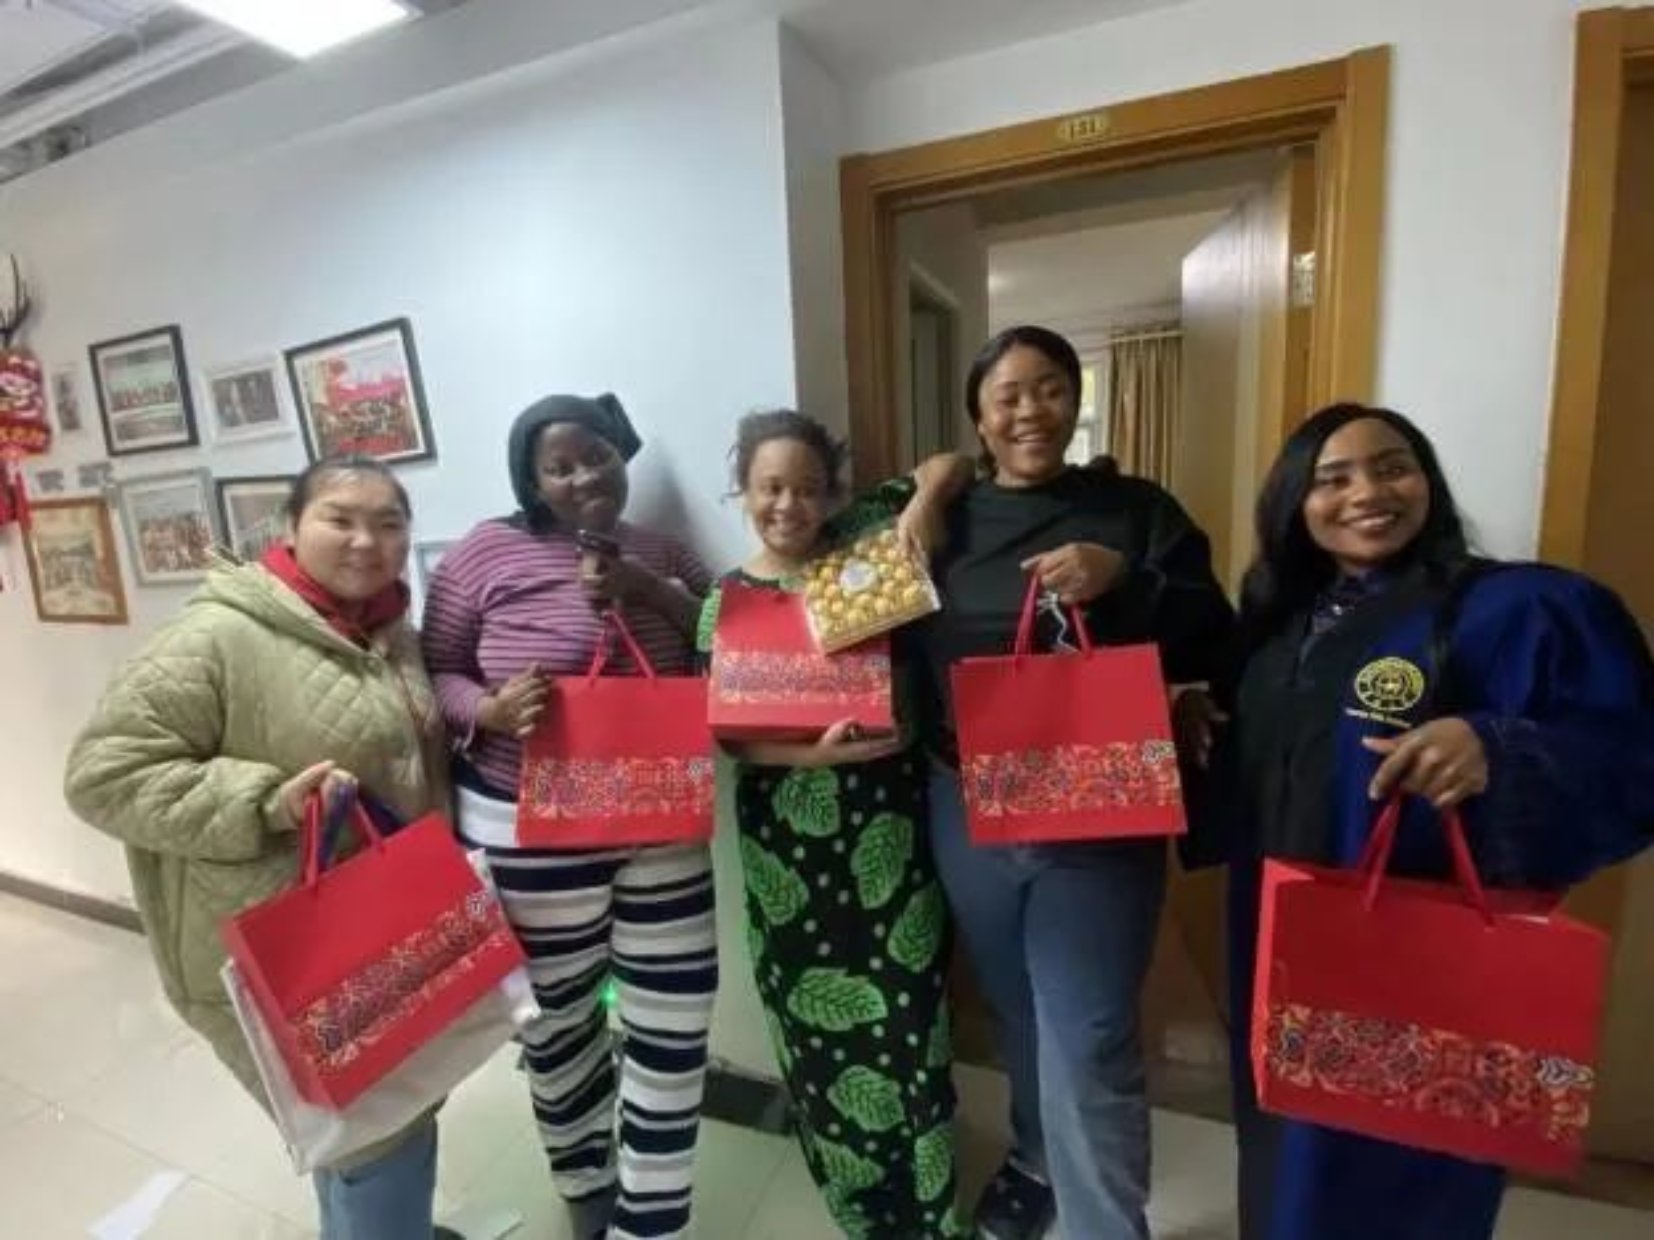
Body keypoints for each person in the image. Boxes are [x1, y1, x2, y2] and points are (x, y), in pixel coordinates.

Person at [1214, 402, 1654, 1240]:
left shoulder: (1514, 608)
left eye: (1392, 467)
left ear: (1428, 481)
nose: (1367, 494)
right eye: (1332, 479)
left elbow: (1628, 755)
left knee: (1405, 1163)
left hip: (1414, 953)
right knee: (1284, 1153)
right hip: (1281, 940)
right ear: (1296, 505)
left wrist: (1496, 746)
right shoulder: (1280, 625)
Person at [63, 456, 456, 1240]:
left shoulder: (388, 631)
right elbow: (102, 778)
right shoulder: (216, 634)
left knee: (363, 1125)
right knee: (379, 1135)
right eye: (340, 519)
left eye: (388, 524)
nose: (366, 541)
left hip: (385, 923)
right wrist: (264, 802)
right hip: (278, 946)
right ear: (289, 528)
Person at [900, 325, 1235, 1240]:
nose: (1030, 412)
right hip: (964, 796)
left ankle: (1104, 1224)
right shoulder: (944, 516)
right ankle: (1039, 1158)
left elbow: (1214, 628)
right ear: (978, 416)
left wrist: (1122, 577)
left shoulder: (1133, 509)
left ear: (1076, 399)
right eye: (1006, 395)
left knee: (1087, 1030)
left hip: (1097, 801)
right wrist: (930, 486)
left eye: (1050, 388)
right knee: (1015, 1005)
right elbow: (877, 618)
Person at [421, 393, 715, 1240]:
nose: (585, 475)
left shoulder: (663, 551)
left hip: (659, 826)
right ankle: (587, 1179)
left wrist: (645, 588)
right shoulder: (485, 552)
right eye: (559, 466)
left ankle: (651, 1219)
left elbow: (730, 643)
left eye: (598, 456)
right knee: (557, 1026)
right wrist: (489, 709)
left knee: (673, 1024)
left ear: (622, 457)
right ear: (531, 480)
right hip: (525, 828)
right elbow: (435, 669)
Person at [698, 410, 975, 1239]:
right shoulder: (724, 603)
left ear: (833, 493)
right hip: (786, 839)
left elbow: (953, 460)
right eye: (771, 488)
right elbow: (729, 739)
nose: (789, 505)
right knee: (816, 1022)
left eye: (808, 488)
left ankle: (931, 1203)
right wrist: (810, 757)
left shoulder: (865, 544)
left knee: (909, 1013)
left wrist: (923, 501)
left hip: (889, 826)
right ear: (744, 490)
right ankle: (861, 1203)